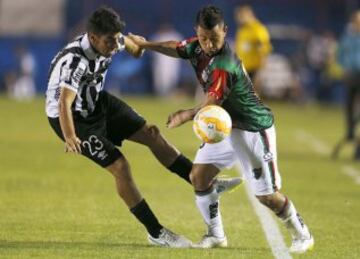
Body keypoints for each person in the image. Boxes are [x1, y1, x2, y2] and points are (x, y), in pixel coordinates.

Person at [45, 6, 240, 248]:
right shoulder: (75, 60)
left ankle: (201, 182)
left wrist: (135, 46)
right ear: (93, 38)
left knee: (152, 133)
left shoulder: (110, 39)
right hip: (73, 120)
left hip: (96, 101)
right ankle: (156, 232)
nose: (115, 44)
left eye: (117, 38)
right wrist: (71, 136)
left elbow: (132, 48)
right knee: (120, 166)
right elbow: (64, 102)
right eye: (110, 41)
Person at [128, 5, 314, 253]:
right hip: (224, 126)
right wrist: (146, 44)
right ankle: (215, 234)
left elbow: (211, 105)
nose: (208, 44)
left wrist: (185, 114)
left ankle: (303, 234)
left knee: (267, 196)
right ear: (197, 32)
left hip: (252, 129)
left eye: (214, 38)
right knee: (199, 176)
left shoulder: (225, 64)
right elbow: (176, 47)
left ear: (225, 32)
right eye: (203, 37)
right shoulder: (197, 44)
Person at [337, 10, 360, 160]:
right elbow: (340, 54)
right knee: (350, 107)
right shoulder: (348, 38)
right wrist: (344, 67)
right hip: (352, 75)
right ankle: (351, 131)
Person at [234, 5, 272, 93]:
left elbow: (264, 50)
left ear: (248, 14)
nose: (238, 19)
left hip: (254, 69)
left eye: (240, 16)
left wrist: (261, 71)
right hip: (242, 68)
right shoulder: (242, 30)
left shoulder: (258, 29)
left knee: (251, 96)